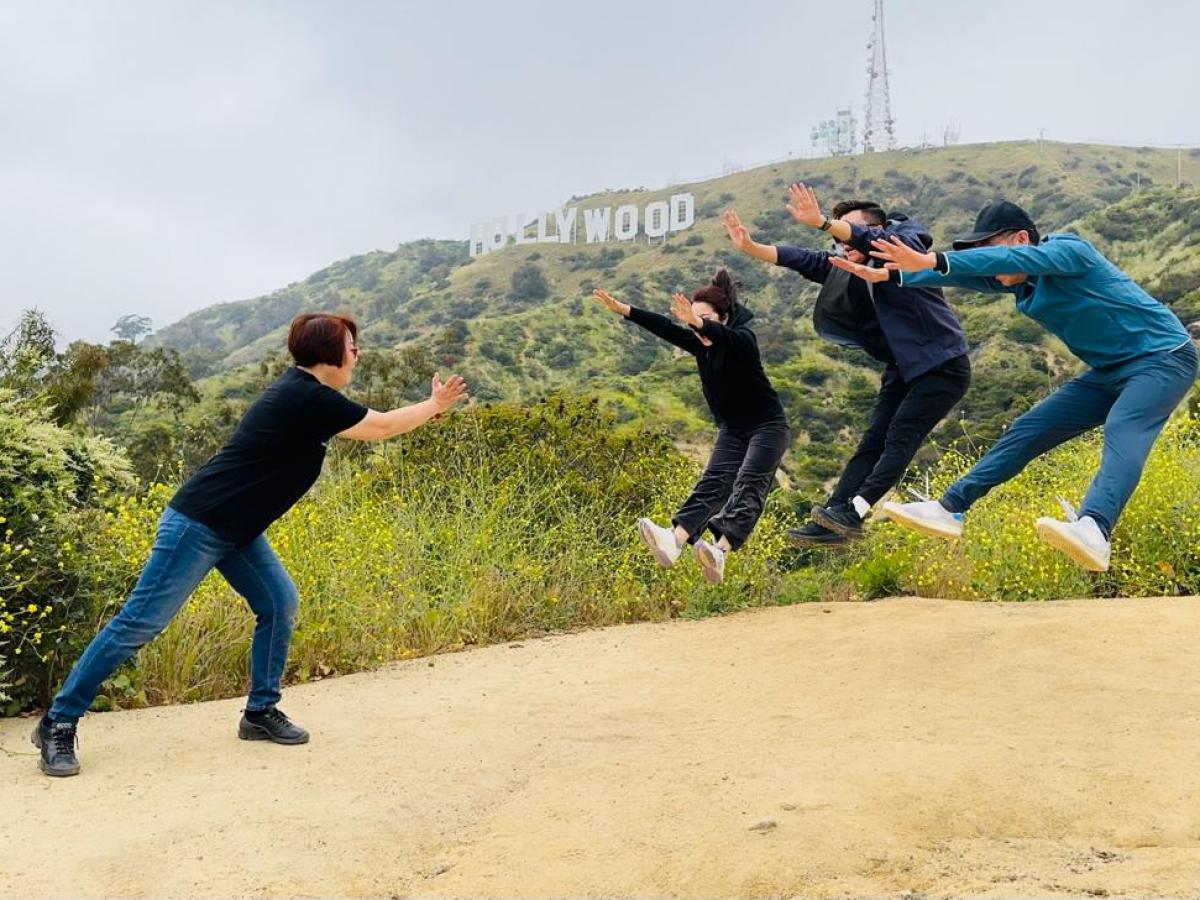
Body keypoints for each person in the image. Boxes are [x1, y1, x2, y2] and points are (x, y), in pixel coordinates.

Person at [33, 312, 468, 777]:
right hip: (198, 524)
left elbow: (374, 426)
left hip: (238, 531)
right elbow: (381, 427)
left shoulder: (309, 396)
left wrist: (432, 407)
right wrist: (434, 403)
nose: (358, 355)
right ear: (329, 353)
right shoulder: (306, 396)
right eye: (352, 347)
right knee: (140, 623)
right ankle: (58, 721)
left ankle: (260, 712)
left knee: (279, 602)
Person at [831, 199, 1197, 571]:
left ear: (1022, 238)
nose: (985, 260)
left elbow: (998, 263)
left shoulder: (1070, 251)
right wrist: (895, 275)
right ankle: (950, 508)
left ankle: (1095, 528)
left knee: (1123, 427)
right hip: (1109, 371)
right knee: (1028, 430)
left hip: (1164, 358)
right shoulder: (1023, 286)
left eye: (987, 247)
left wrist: (932, 259)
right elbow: (968, 275)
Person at [723, 182, 970, 546]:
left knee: (899, 436)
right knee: (871, 443)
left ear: (874, 228)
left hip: (942, 364)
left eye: (847, 234)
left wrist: (823, 222)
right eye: (837, 240)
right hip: (902, 369)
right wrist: (750, 247)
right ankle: (833, 520)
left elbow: (880, 242)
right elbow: (802, 258)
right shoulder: (846, 265)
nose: (842, 245)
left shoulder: (905, 240)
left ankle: (853, 513)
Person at [593, 271, 789, 584]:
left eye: (704, 318)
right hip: (733, 429)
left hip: (768, 427)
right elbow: (665, 328)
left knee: (749, 484)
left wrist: (697, 321)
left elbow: (729, 337)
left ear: (723, 318)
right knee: (713, 482)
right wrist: (625, 310)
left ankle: (720, 550)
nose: (695, 326)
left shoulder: (742, 340)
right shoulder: (701, 346)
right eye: (691, 319)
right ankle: (675, 540)